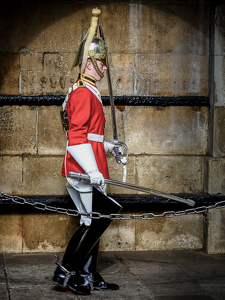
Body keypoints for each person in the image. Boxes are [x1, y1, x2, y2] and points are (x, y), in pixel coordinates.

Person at [53, 8, 122, 295]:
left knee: (90, 219)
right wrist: (92, 171)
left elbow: (90, 137)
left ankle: (88, 275)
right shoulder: (82, 92)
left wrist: (109, 147)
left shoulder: (89, 90)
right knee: (100, 217)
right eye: (102, 62)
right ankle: (67, 272)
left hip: (89, 164)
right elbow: (76, 138)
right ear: (90, 63)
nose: (106, 67)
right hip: (83, 169)